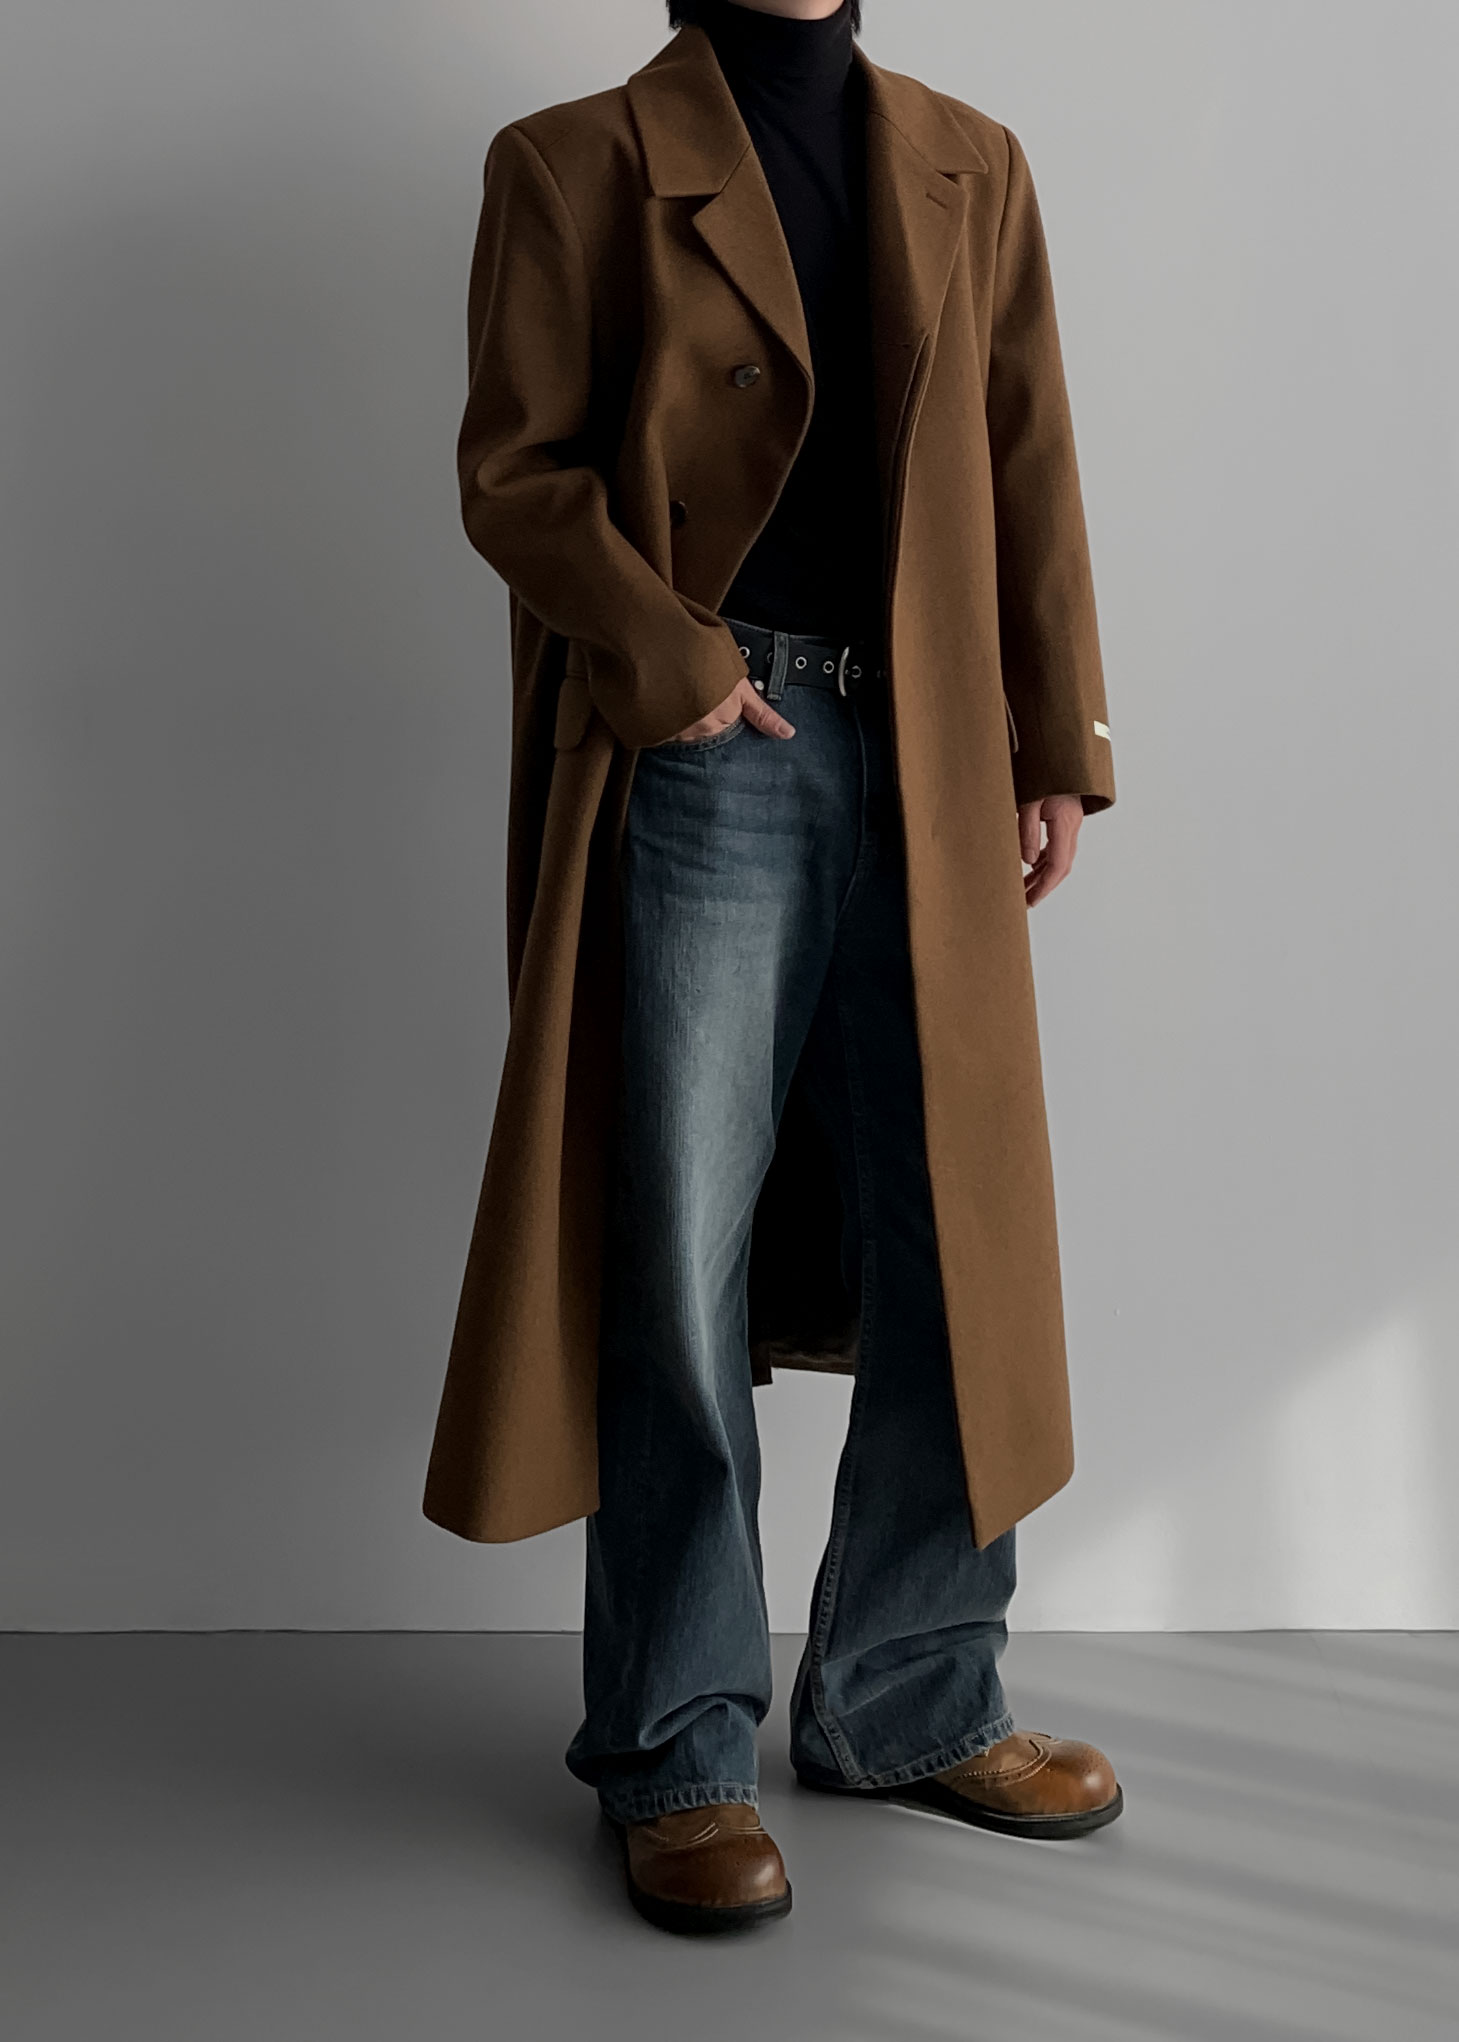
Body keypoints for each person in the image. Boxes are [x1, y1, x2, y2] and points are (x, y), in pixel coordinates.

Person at [424, 0, 1122, 1935]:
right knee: (677, 1245)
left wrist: (1058, 736)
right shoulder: (571, 164)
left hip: (939, 745)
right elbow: (514, 472)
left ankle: (911, 1693)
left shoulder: (972, 159)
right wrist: (680, 665)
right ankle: (677, 1746)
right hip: (717, 741)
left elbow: (1029, 451)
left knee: (957, 1226)